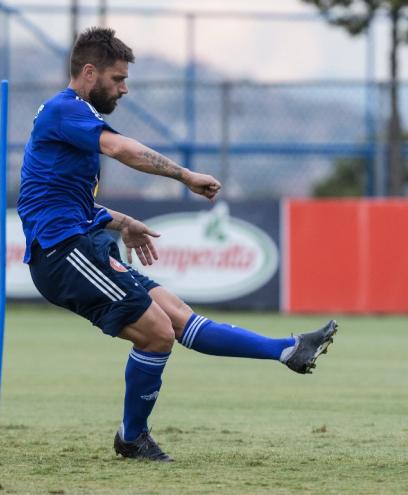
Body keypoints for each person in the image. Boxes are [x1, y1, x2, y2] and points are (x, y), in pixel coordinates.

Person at [17, 27, 337, 463]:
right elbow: (122, 150)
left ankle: (287, 349)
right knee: (156, 334)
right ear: (89, 73)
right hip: (63, 254)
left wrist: (123, 221)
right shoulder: (65, 110)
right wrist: (185, 176)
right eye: (117, 79)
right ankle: (132, 437)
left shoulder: (73, 118)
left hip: (82, 243)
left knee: (178, 317)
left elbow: (63, 197)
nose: (124, 88)